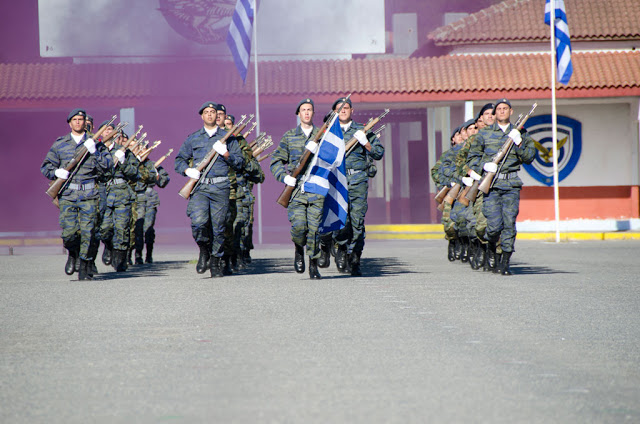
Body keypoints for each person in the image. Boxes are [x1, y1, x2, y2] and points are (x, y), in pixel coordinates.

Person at [40, 109, 113, 280]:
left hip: (89, 193)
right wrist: (57, 172)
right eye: (75, 119)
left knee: (89, 232)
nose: (79, 122)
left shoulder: (96, 143)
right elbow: (46, 167)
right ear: (70, 123)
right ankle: (72, 253)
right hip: (68, 194)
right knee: (69, 233)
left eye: (81, 119)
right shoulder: (60, 144)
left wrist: (95, 151)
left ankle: (85, 264)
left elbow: (108, 166)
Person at [174, 102, 244, 278]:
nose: (210, 115)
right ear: (202, 116)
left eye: (213, 112)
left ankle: (215, 261)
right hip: (200, 187)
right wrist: (187, 170)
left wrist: (226, 154)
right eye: (207, 112)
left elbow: (240, 162)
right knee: (198, 222)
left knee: (219, 227)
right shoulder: (193, 138)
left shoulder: (229, 138)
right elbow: (179, 160)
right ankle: (204, 249)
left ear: (217, 116)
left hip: (221, 186)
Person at [467, 98, 536, 275]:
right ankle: (491, 249)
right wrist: (483, 166)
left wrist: (519, 142)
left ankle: (505, 262)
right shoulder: (484, 134)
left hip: (511, 185)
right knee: (493, 226)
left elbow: (529, 157)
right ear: (495, 113)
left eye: (505, 108)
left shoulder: (521, 132)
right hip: (492, 186)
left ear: (511, 111)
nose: (502, 111)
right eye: (499, 109)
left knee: (509, 224)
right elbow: (472, 158)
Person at [326, 97, 384, 276]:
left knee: (357, 221)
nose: (343, 110)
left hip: (358, 181)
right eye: (339, 108)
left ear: (352, 111)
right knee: (342, 221)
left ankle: (355, 257)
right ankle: (341, 248)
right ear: (335, 112)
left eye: (346, 108)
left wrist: (365, 142)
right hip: (337, 182)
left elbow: (379, 152)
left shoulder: (362, 130)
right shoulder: (329, 132)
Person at [270, 98, 325, 279]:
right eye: (303, 110)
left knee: (315, 228)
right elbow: (276, 160)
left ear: (313, 113)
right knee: (300, 227)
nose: (307, 113)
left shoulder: (323, 135)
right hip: (296, 190)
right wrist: (284, 177)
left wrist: (318, 151)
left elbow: (332, 160)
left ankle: (313, 265)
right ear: (298, 114)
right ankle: (298, 249)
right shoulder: (289, 136)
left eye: (310, 110)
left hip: (316, 187)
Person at [100, 131, 140, 271]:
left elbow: (135, 174)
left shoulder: (124, 152)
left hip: (121, 192)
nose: (109, 132)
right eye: (106, 129)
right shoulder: (96, 150)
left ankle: (120, 257)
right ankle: (109, 247)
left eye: (112, 129)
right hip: (103, 193)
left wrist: (123, 162)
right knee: (104, 229)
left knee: (122, 227)